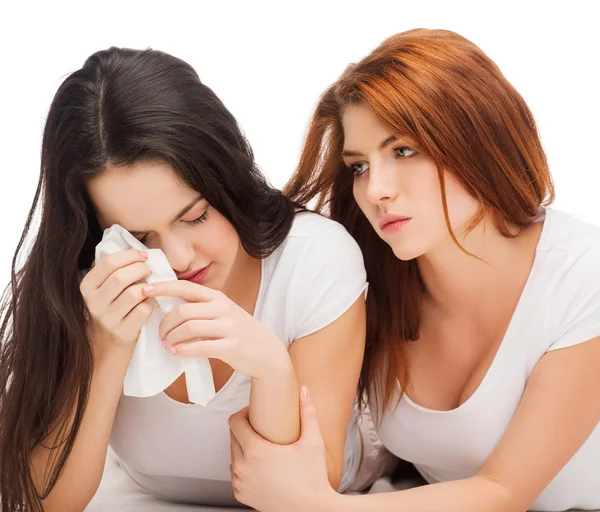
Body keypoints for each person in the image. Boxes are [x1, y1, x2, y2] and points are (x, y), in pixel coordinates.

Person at [228, 28, 600, 512]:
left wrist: (312, 505)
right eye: (359, 165)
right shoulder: (373, 280)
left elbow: (503, 491)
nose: (376, 189)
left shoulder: (580, 273)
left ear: (480, 142)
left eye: (404, 151)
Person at [0, 47, 378, 512]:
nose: (177, 258)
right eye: (140, 236)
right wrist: (107, 345)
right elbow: (43, 503)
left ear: (229, 181)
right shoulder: (92, 287)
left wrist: (271, 367)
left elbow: (307, 491)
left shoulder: (314, 258)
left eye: (196, 216)